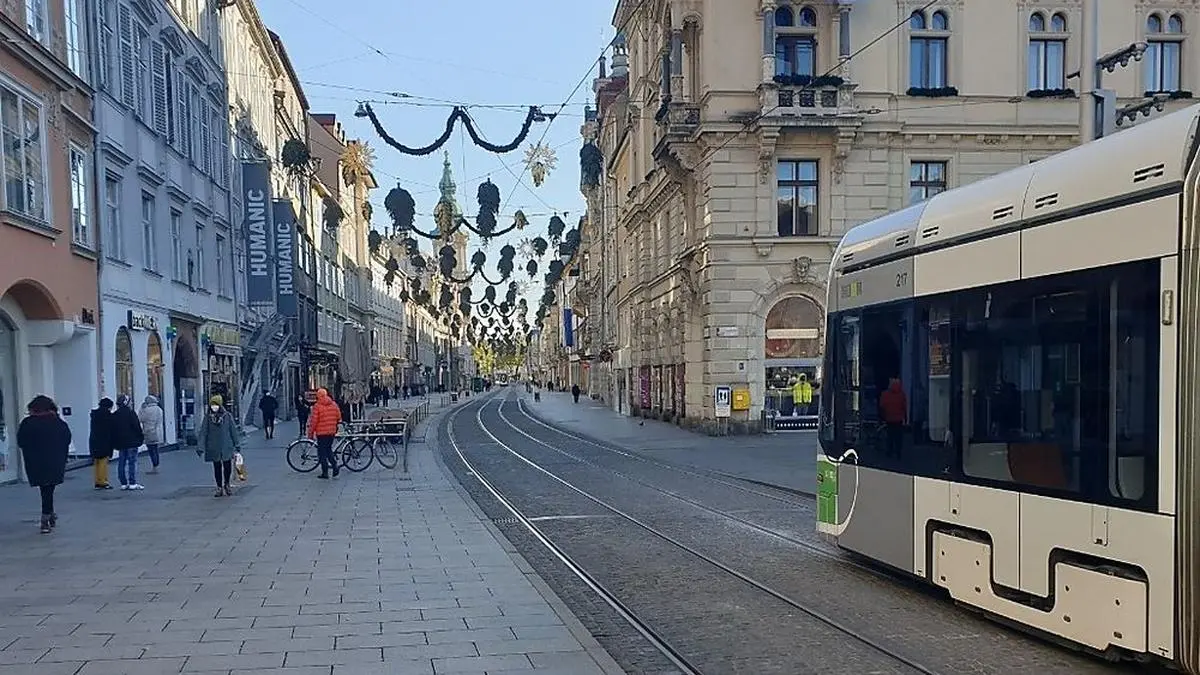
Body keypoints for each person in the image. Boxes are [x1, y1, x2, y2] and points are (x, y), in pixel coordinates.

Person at [17, 395, 71, 534]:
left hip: (36, 461)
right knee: (49, 487)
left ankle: (48, 514)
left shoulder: (28, 423)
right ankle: (47, 516)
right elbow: (67, 439)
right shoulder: (58, 422)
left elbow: (21, 441)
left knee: (45, 488)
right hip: (55, 460)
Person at [198, 394, 240, 497]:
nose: (214, 407)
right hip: (214, 447)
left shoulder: (227, 416)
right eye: (212, 405)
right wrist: (200, 447)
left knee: (227, 466)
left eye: (216, 405)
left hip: (226, 446)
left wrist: (237, 444)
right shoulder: (208, 418)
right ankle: (219, 487)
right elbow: (203, 432)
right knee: (217, 467)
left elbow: (233, 431)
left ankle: (227, 484)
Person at [110, 394, 145, 490]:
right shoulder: (131, 413)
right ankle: (132, 482)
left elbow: (113, 430)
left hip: (121, 443)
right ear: (126, 402)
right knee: (132, 462)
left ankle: (123, 483)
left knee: (121, 462)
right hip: (132, 442)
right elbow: (137, 427)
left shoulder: (115, 415)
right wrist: (140, 437)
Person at [306, 388, 342, 480]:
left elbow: (314, 421)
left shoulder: (317, 406)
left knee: (322, 452)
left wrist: (310, 433)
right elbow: (338, 417)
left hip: (321, 433)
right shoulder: (334, 404)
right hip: (331, 432)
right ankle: (334, 466)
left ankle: (325, 472)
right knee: (328, 449)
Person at [88, 398, 115, 490]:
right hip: (104, 441)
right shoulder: (108, 416)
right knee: (103, 462)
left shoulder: (94, 415)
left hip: (94, 440)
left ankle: (97, 481)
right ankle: (103, 481)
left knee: (96, 462)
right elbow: (110, 430)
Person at [879, 377, 908, 459]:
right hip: (899, 419)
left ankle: (889, 451)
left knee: (890, 436)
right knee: (898, 437)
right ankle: (898, 452)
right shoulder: (902, 394)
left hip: (889, 418)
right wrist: (905, 418)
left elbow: (882, 406)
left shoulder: (885, 394)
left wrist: (882, 418)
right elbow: (904, 407)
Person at [138, 395, 164, 473]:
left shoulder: (147, 410)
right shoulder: (159, 409)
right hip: (158, 432)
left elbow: (140, 418)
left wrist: (141, 409)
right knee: (155, 450)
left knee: (151, 450)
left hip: (149, 432)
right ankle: (156, 466)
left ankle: (155, 467)